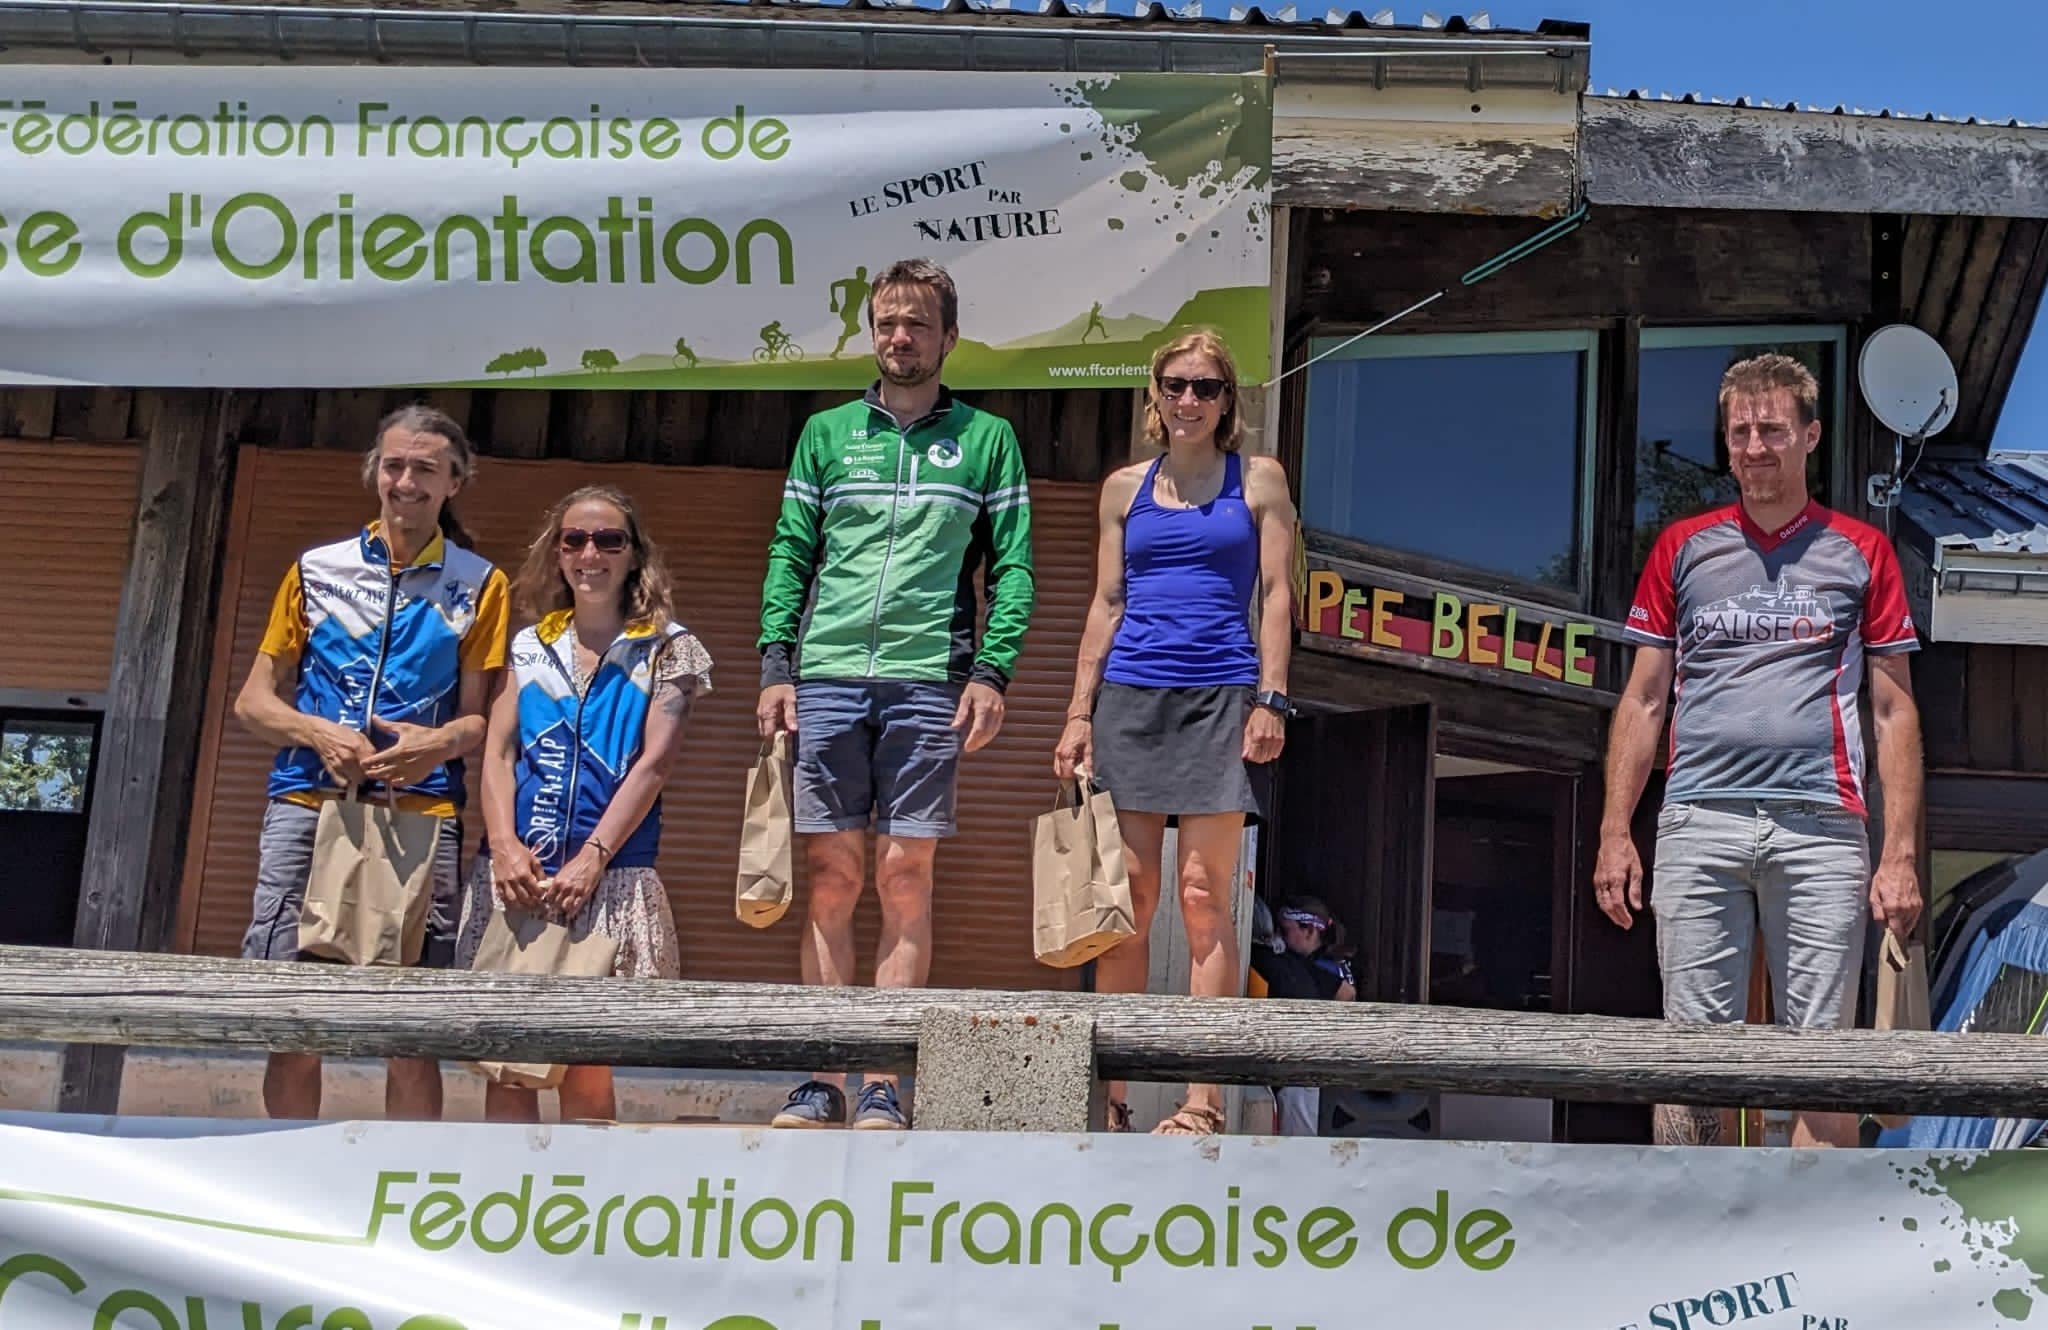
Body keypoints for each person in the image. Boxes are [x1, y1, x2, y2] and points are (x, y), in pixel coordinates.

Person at [1594, 352, 1925, 1149]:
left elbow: (1893, 710)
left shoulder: (1861, 552)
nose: (1754, 446)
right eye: (1740, 431)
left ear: (1810, 436)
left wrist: (1901, 854)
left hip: (1823, 829)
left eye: (1773, 429)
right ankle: (1690, 1239)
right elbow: (1642, 699)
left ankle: (1815, 1261)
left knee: (1821, 1058)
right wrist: (1614, 832)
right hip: (1698, 823)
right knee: (1691, 1058)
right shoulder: (1682, 547)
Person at [757, 257, 1035, 1131]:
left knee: (903, 873)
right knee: (832, 875)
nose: (900, 338)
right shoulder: (826, 433)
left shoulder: (988, 439)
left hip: (929, 678)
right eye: (886, 323)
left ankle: (883, 1081)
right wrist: (775, 665)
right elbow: (790, 552)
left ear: (950, 337)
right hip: (830, 673)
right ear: (870, 333)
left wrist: (992, 673)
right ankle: (822, 1079)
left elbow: (1015, 567)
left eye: (917, 323)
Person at [231, 404, 509, 1121]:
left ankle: (405, 1190)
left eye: (425, 468)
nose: (406, 481)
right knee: (293, 1020)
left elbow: (481, 720)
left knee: (409, 1029)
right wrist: (319, 732)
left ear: (455, 482)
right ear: (374, 472)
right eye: (394, 465)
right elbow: (253, 704)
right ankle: (285, 1178)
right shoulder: (315, 569)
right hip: (306, 807)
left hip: (419, 817)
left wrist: (434, 743)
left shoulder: (482, 583)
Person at [1053, 328, 1297, 1135]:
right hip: (1130, 697)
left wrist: (1273, 699)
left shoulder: (1257, 480)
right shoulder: (1123, 487)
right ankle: (1113, 1100)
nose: (1188, 399)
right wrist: (1079, 712)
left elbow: (1276, 595)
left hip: (1221, 697)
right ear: (1154, 395)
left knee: (1201, 897)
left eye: (1205, 386)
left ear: (1229, 401)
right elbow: (1107, 603)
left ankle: (1202, 1099)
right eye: (1174, 384)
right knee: (1128, 900)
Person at [456, 485, 712, 1125]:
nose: (589, 553)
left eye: (608, 540)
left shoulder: (668, 648)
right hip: (521, 875)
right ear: (558, 554)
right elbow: (498, 753)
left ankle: (581, 1207)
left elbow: (654, 764)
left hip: (608, 877)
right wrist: (505, 848)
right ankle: (501, 1208)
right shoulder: (527, 645)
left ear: (634, 556)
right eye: (575, 540)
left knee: (586, 1060)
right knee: (507, 1065)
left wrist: (593, 859)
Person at [1251, 896, 1357, 1137]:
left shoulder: (1328, 967)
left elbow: (1346, 996)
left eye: (1286, 930)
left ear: (1309, 931)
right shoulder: (1318, 962)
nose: (1280, 936)